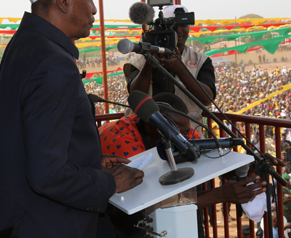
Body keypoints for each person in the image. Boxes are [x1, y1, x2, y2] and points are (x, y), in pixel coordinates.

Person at [0, 0, 144, 238]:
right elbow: (47, 174)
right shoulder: (53, 64)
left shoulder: (24, 46)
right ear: (63, 0)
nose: (95, 9)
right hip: (49, 226)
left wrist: (88, 163)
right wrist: (109, 183)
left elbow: (33, 142)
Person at [99, 93, 274, 238]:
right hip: (120, 221)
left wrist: (249, 165)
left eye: (186, 131)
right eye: (180, 132)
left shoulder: (179, 128)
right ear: (151, 127)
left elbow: (207, 161)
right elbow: (152, 203)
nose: (184, 137)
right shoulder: (121, 141)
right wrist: (221, 194)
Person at [123, 4, 217, 130]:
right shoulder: (139, 60)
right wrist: (149, 61)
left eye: (183, 25)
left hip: (186, 133)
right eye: (173, 26)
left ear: (188, 27)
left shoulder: (201, 60)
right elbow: (135, 94)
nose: (178, 30)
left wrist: (180, 69)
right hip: (146, 132)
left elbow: (207, 98)